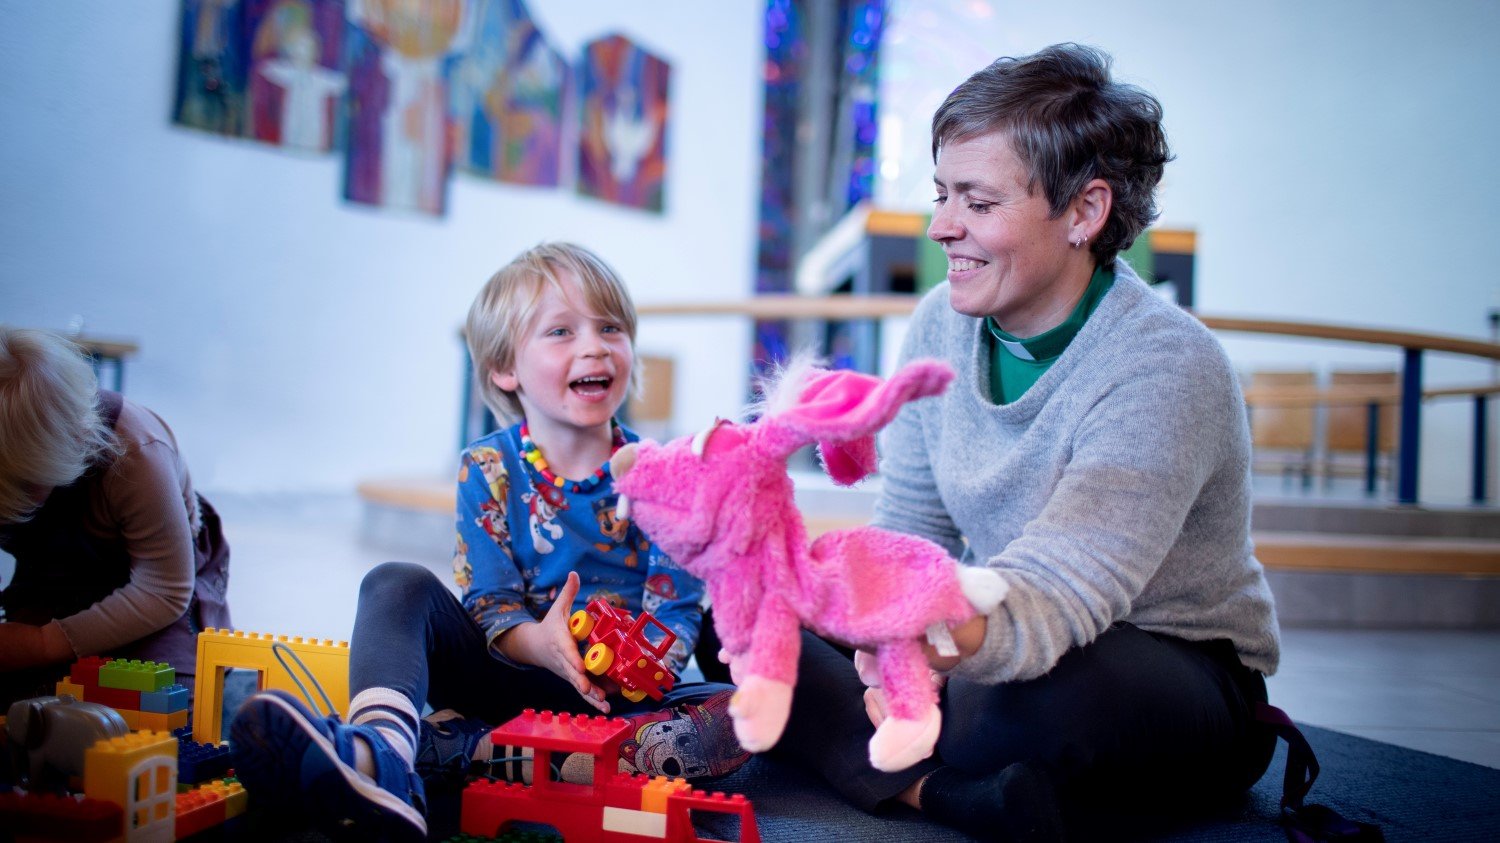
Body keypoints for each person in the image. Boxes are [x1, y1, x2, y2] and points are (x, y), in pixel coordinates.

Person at [772, 44, 1280, 841]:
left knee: (1027, 701)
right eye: (942, 194)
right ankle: (947, 793)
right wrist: (870, 613)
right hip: (994, 621)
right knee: (753, 609)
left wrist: (916, 647)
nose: (941, 227)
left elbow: (1061, 591)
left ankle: (891, 748)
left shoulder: (1167, 365)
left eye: (976, 202)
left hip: (1159, 662)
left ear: (1084, 212)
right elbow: (910, 532)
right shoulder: (939, 320)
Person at [229, 243, 746, 841]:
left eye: (611, 327)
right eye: (561, 331)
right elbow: (489, 602)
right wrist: (542, 643)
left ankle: (463, 752)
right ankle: (384, 753)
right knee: (396, 583)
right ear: (506, 368)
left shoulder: (665, 475)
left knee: (738, 712)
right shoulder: (488, 467)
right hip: (510, 676)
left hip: (618, 707)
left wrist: (637, 672)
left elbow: (676, 609)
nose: (595, 345)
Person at [0, 328, 231, 704]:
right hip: (56, 578)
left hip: (158, 583)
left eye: (22, 489)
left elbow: (164, 590)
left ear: (69, 449)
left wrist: (44, 643)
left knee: (159, 700)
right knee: (28, 697)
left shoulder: (136, 451)